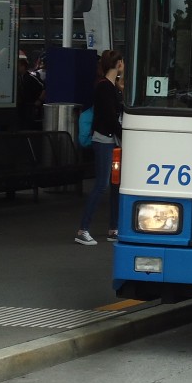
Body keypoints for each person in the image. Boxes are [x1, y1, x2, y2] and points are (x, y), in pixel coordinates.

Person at [74, 49, 123, 246]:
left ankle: (113, 228)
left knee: (113, 184)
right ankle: (83, 229)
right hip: (104, 139)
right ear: (118, 63)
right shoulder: (105, 87)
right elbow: (111, 118)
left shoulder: (110, 86)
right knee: (102, 184)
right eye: (123, 62)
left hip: (109, 140)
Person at [16, 51, 44, 130]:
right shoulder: (19, 78)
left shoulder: (31, 77)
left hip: (30, 106)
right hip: (22, 107)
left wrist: (39, 100)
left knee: (28, 125)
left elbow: (44, 87)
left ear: (23, 66)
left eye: (18, 66)